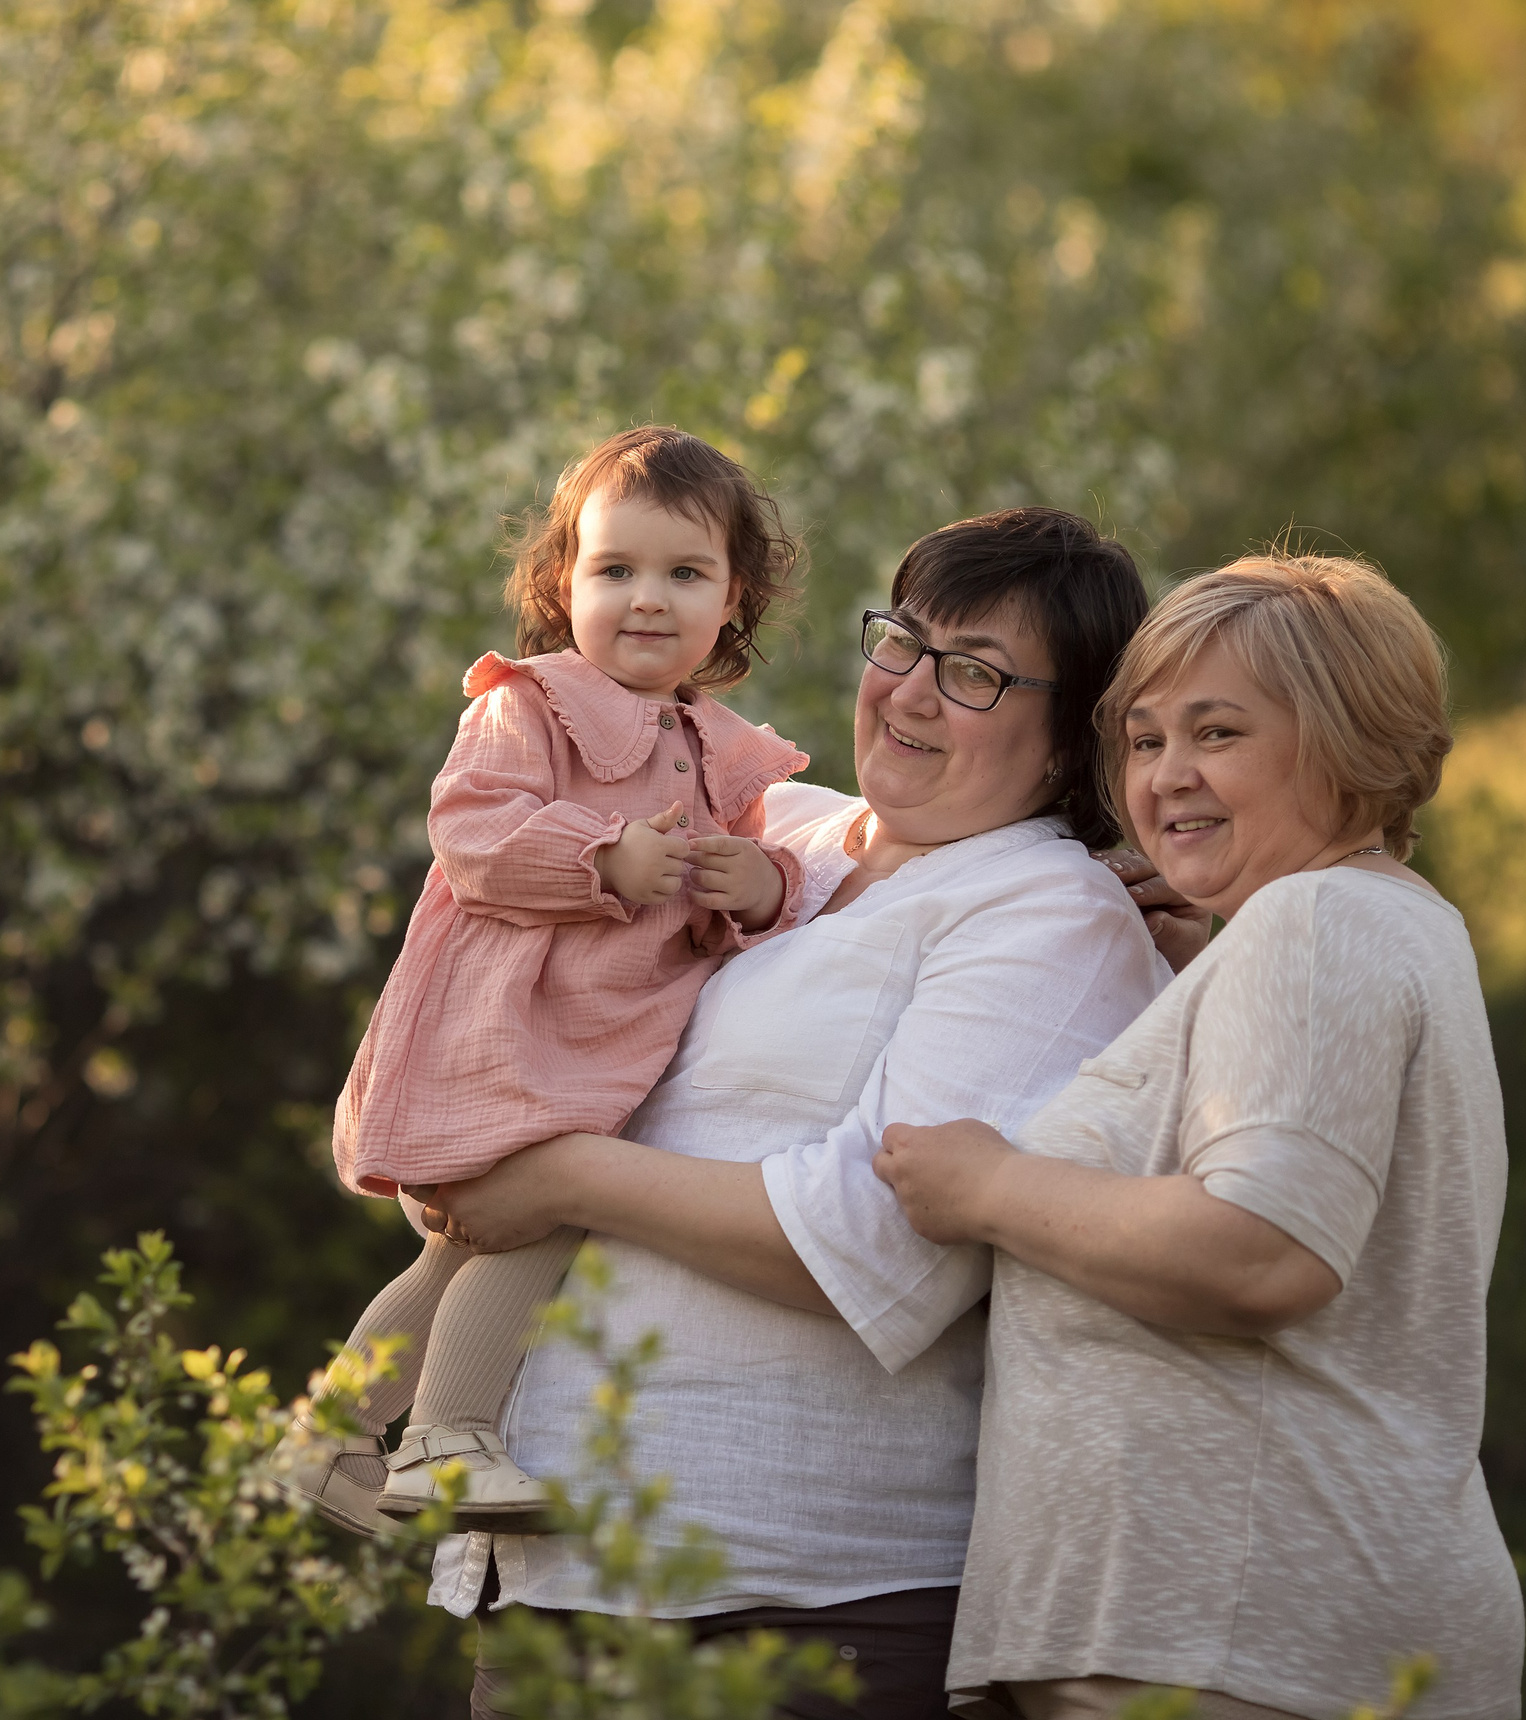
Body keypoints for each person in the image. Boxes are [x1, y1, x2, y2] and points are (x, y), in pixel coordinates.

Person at [419, 507, 1164, 1720]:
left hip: (800, 1605)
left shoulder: (1047, 915)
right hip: (569, 1581)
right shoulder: (782, 833)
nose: (911, 694)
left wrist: (559, 1176)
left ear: (1067, 738)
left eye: (972, 674)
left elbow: (872, 1248)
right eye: (902, 642)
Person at [877, 554, 1524, 1720]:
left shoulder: (1315, 920)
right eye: (1143, 738)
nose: (1166, 776)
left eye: (1216, 734)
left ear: (1344, 741)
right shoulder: (1369, 927)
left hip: (1239, 1641)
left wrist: (990, 1185)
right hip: (1248, 1638)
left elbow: (1260, 1250)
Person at [295, 427, 813, 1532]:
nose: (646, 598)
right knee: (543, 1217)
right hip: (507, 1019)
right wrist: (600, 855)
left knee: (474, 1240)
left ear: (734, 600)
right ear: (560, 582)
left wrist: (755, 882)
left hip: (600, 1037)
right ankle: (443, 1437)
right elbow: (470, 831)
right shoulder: (525, 703)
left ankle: (326, 1435)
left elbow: (749, 906)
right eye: (613, 569)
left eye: (685, 573)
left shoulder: (721, 749)